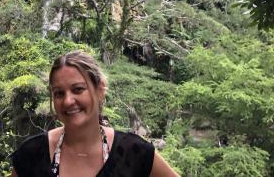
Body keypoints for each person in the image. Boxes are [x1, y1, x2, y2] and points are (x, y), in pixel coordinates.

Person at [11, 50, 179, 177]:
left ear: (100, 89)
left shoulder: (134, 153)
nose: (68, 101)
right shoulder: (32, 155)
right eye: (59, 93)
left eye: (78, 89)